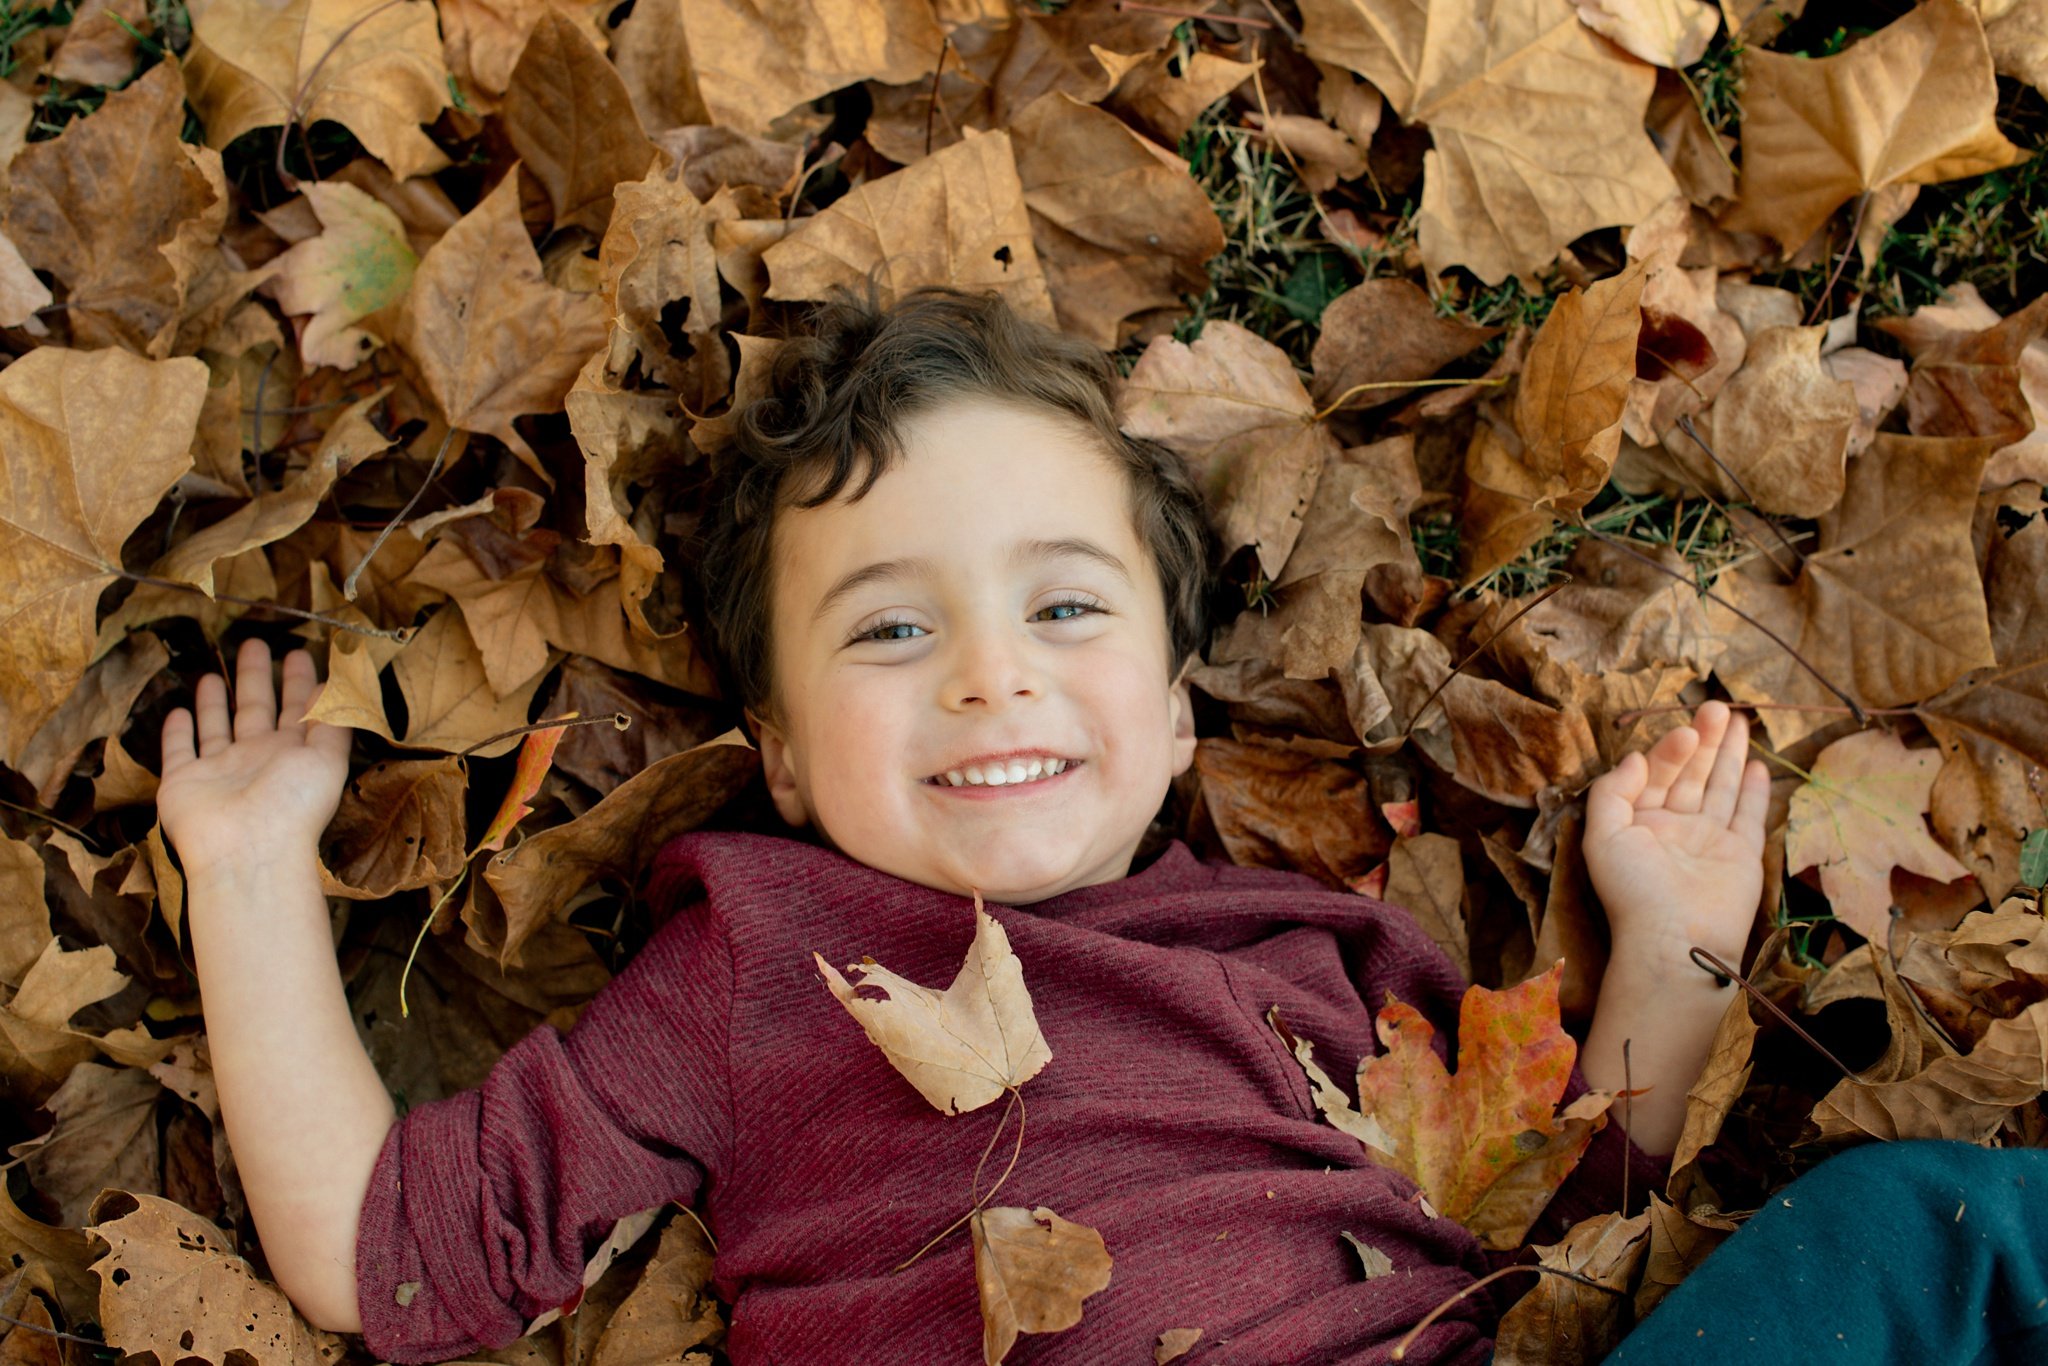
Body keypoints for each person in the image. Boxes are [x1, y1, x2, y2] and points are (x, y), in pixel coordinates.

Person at [155, 286, 1770, 1363]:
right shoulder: (761, 972)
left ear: (1181, 709)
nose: (995, 678)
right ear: (781, 759)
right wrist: (244, 877)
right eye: (892, 632)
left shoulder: (1313, 949)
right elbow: (392, 1252)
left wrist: (1677, 942)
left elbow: (1567, 1228)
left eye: (1065, 606)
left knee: (1916, 1222)